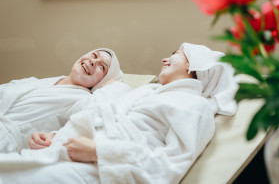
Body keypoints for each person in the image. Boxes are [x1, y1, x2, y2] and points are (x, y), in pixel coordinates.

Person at [0, 42, 239, 184]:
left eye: (176, 54)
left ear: (193, 65)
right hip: (67, 153)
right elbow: (103, 117)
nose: (165, 58)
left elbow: (169, 167)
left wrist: (101, 152)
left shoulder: (195, 108)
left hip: (98, 170)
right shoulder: (150, 92)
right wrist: (56, 136)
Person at [0, 48, 125, 153]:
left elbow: (92, 117)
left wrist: (111, 85)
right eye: (94, 55)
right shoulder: (39, 81)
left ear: (102, 82)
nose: (93, 61)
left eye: (102, 67)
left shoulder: (82, 99)